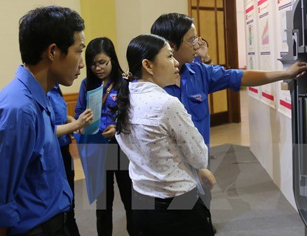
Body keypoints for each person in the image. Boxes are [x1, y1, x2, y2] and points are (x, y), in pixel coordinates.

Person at [151, 13, 307, 231]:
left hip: (199, 163)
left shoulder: (199, 72)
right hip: (167, 173)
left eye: (197, 38)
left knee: (202, 210)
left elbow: (240, 77)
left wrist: (284, 74)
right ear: (171, 44)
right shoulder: (148, 85)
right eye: (191, 40)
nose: (197, 45)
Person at [115, 34, 216, 236]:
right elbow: (198, 155)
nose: (176, 62)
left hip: (141, 200)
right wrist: (199, 168)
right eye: (169, 56)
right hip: (178, 204)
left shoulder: (127, 96)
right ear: (148, 65)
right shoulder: (166, 104)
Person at [0, 6, 86, 236]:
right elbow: (2, 198)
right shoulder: (20, 109)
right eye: (79, 51)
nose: (82, 64)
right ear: (53, 52)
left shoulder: (42, 95)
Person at [74, 37, 134, 236]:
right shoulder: (87, 85)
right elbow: (79, 113)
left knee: (130, 199)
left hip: (121, 148)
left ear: (112, 60)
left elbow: (134, 115)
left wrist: (117, 127)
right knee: (103, 203)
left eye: (102, 62)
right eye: (92, 64)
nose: (97, 68)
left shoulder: (125, 81)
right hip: (98, 149)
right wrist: (81, 124)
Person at [47, 85, 93, 236]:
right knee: (59, 210)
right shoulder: (40, 89)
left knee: (69, 204)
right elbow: (45, 130)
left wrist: (73, 121)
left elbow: (59, 116)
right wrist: (76, 124)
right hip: (52, 155)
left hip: (64, 152)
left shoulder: (54, 87)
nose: (80, 66)